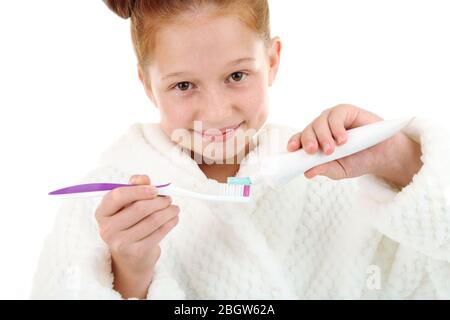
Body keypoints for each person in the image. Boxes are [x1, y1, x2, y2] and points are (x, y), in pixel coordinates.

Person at [31, 0, 450, 299]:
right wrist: (129, 273)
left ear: (271, 61)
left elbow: (432, 276)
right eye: (183, 85)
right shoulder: (105, 207)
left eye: (236, 75)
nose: (215, 113)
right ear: (145, 83)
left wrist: (398, 160)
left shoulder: (331, 179)